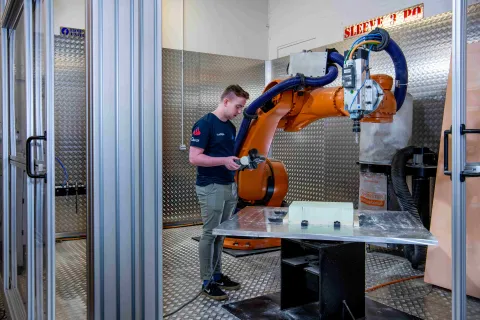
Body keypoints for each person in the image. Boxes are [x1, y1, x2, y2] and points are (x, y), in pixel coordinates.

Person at [189, 84, 249, 300]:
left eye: (242, 108)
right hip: (210, 186)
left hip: (228, 185)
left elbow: (226, 158)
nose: (239, 111)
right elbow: (194, 158)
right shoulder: (205, 124)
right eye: (238, 106)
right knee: (210, 233)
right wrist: (224, 160)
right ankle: (206, 281)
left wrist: (240, 163)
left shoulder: (231, 127)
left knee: (221, 234)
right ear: (226, 101)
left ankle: (216, 274)